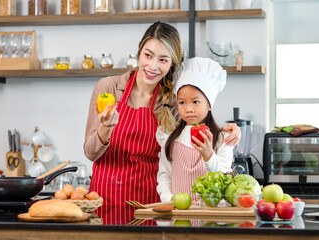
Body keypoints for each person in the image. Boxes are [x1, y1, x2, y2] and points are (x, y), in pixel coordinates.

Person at [84, 22, 241, 224]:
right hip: (106, 197)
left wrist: (231, 130)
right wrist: (105, 128)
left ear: (171, 64)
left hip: (152, 204)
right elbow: (90, 153)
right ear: (139, 53)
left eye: (163, 59)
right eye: (148, 55)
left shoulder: (174, 101)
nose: (153, 66)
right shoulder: (109, 88)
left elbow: (201, 116)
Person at [156, 57, 233, 202]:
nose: (188, 109)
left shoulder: (222, 139)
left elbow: (225, 180)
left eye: (195, 102)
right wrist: (169, 199)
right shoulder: (170, 138)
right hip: (178, 215)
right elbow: (164, 175)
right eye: (182, 102)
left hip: (209, 216)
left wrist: (209, 156)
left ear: (209, 104)